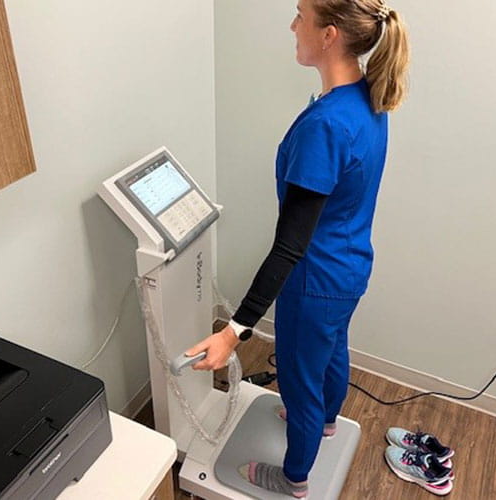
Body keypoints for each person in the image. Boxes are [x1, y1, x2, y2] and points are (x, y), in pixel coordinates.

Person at [186, 0, 410, 497]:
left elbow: (289, 246)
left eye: (300, 16)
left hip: (313, 281)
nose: (292, 25)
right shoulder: (367, 98)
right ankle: (327, 422)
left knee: (299, 379)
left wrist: (234, 332)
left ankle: (293, 478)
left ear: (329, 35)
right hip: (349, 269)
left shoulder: (326, 125)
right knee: (330, 351)